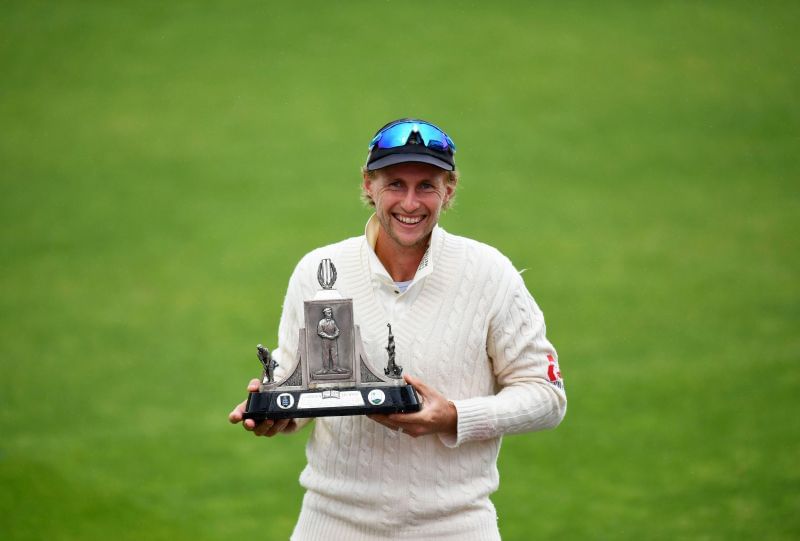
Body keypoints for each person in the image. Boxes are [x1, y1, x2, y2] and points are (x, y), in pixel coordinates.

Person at [229, 118, 567, 540]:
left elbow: (547, 396)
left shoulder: (489, 273)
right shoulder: (317, 270)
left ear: (450, 189)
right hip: (332, 524)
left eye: (426, 185)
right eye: (395, 185)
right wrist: (277, 414)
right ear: (368, 186)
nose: (410, 203)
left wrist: (454, 417)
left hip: (456, 526)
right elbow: (303, 383)